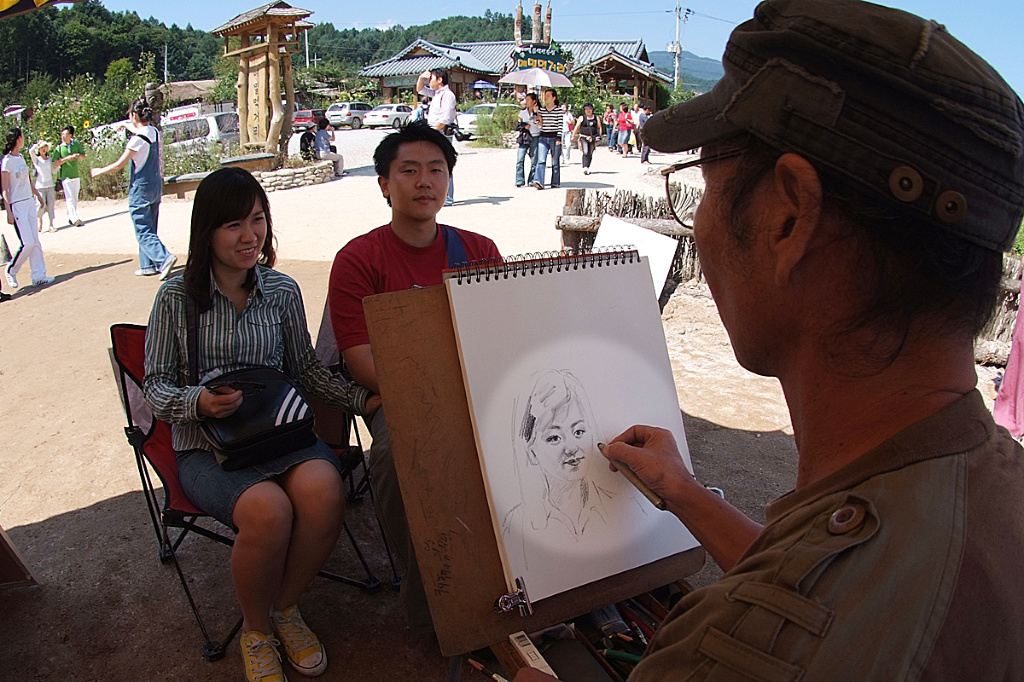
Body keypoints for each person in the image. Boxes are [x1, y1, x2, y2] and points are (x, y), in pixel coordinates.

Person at [515, 0, 1024, 679]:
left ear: (789, 218)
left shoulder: (729, 653)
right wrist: (685, 492)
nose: (699, 222)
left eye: (707, 189)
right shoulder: (993, 487)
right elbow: (842, 586)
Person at [144, 166, 380, 682]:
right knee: (268, 511)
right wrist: (198, 402)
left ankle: (286, 609)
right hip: (208, 448)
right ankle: (255, 630)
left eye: (257, 220)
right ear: (206, 230)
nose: (250, 236)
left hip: (281, 434)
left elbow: (307, 372)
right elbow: (155, 386)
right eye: (233, 225)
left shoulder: (280, 290)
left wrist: (364, 399)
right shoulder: (175, 298)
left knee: (325, 492)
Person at [328, 121, 501, 634]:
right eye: (409, 171)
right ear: (384, 183)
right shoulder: (359, 259)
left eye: (437, 170)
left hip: (481, 387)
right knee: (388, 456)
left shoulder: (477, 247)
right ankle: (435, 591)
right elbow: (360, 359)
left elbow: (498, 333)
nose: (425, 181)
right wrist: (434, 395)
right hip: (404, 397)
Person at [91, 97, 177, 280]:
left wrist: (99, 171)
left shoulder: (136, 140)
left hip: (141, 188)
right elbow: (140, 130)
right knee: (150, 226)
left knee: (142, 228)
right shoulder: (152, 131)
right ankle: (147, 265)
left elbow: (118, 165)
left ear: (133, 115)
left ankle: (163, 259)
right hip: (155, 185)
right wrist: (125, 125)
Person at [2, 128, 54, 290]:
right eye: (22, 136)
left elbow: (28, 181)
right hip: (17, 206)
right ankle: (11, 269)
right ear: (18, 139)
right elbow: (4, 189)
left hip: (29, 202)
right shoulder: (7, 161)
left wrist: (37, 195)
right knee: (28, 243)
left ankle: (39, 275)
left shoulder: (21, 158)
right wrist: (8, 211)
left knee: (36, 242)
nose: (24, 139)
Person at [416, 67, 457, 206]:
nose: (429, 81)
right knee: (434, 164)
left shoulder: (448, 95)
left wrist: (432, 132)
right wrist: (421, 77)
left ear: (439, 80)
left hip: (441, 133)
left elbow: (445, 119)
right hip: (435, 131)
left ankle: (448, 197)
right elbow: (420, 89)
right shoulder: (436, 93)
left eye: (431, 78)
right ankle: (442, 196)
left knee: (444, 165)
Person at [52, 124, 85, 227]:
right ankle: (75, 218)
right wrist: (66, 159)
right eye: (62, 134)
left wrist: (77, 156)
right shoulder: (60, 148)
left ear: (70, 135)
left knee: (75, 197)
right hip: (65, 176)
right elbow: (55, 162)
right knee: (69, 197)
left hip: (75, 174)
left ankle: (70, 216)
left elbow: (83, 156)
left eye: (65, 134)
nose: (63, 136)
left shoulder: (76, 144)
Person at [531, 89, 563, 190]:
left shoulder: (558, 110)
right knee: (541, 159)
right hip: (543, 137)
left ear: (554, 98)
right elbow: (538, 124)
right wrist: (536, 114)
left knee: (555, 161)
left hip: (554, 137)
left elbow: (560, 125)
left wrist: (559, 138)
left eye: (548, 96)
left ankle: (555, 182)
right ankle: (539, 181)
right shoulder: (541, 110)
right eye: (545, 96)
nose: (546, 98)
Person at [29, 140, 56, 232]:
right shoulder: (36, 160)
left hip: (50, 184)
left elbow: (53, 170)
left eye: (45, 147)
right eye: (41, 148)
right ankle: (40, 220)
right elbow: (30, 151)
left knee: (51, 205)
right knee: (41, 205)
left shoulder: (49, 159)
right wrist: (37, 144)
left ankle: (51, 224)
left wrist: (59, 164)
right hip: (40, 185)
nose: (43, 149)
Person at [515, 92, 541, 187]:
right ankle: (519, 180)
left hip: (535, 136)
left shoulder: (539, 112)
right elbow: (518, 124)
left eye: (529, 100)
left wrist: (536, 113)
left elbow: (541, 124)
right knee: (520, 159)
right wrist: (524, 125)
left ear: (534, 101)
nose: (527, 101)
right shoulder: (522, 112)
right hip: (525, 137)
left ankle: (532, 179)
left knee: (534, 159)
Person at [572, 103, 602, 176]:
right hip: (584, 137)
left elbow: (599, 127)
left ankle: (588, 166)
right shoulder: (582, 118)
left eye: (590, 109)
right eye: (586, 109)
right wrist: (573, 136)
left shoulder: (596, 118)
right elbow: (577, 127)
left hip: (593, 137)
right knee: (585, 151)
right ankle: (585, 167)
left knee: (590, 152)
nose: (588, 110)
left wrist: (599, 136)